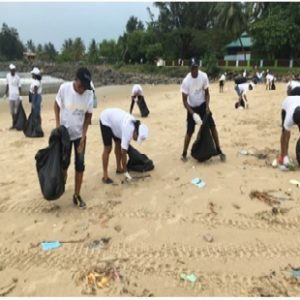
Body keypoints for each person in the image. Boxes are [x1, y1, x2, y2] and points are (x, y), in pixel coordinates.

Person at [54, 67, 93, 209]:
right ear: (75, 80)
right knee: (64, 163)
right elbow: (56, 104)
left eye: (85, 86)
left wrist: (84, 135)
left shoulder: (89, 94)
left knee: (80, 164)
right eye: (81, 85)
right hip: (64, 135)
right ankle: (62, 180)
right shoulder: (64, 89)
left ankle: (76, 195)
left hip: (79, 136)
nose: (83, 89)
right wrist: (58, 124)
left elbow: (89, 115)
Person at [180, 58, 225, 162]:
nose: (194, 70)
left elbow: (207, 93)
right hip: (191, 108)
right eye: (192, 68)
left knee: (212, 127)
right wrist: (193, 114)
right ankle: (184, 153)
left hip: (203, 106)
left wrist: (207, 106)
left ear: (198, 67)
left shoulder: (203, 76)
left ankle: (218, 149)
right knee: (189, 131)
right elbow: (184, 101)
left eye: (196, 67)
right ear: (189, 68)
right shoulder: (186, 81)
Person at [99, 108, 149, 184]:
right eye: (137, 138)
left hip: (116, 123)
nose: (135, 140)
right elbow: (124, 153)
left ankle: (119, 168)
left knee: (118, 143)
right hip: (106, 120)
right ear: (136, 132)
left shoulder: (135, 125)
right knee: (108, 148)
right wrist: (126, 172)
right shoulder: (128, 131)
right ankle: (105, 176)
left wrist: (124, 168)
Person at [279, 95, 300, 168]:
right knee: (286, 134)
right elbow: (285, 137)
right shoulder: (289, 118)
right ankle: (283, 156)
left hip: (297, 101)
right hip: (287, 104)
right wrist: (285, 157)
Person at [4, 64, 21, 129]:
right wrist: (5, 94)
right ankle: (14, 123)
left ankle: (16, 123)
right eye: (11, 70)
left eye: (14, 70)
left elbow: (19, 87)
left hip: (16, 96)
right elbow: (7, 85)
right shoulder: (8, 76)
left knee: (16, 111)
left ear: (15, 70)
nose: (13, 71)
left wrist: (20, 95)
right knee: (12, 111)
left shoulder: (17, 77)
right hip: (10, 96)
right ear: (10, 70)